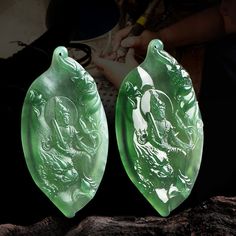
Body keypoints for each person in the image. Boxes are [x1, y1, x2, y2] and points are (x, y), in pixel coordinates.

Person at [93, 0, 236, 204]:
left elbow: (191, 163)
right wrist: (160, 38)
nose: (223, 6)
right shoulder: (229, 13)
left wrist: (136, 87)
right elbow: (224, 20)